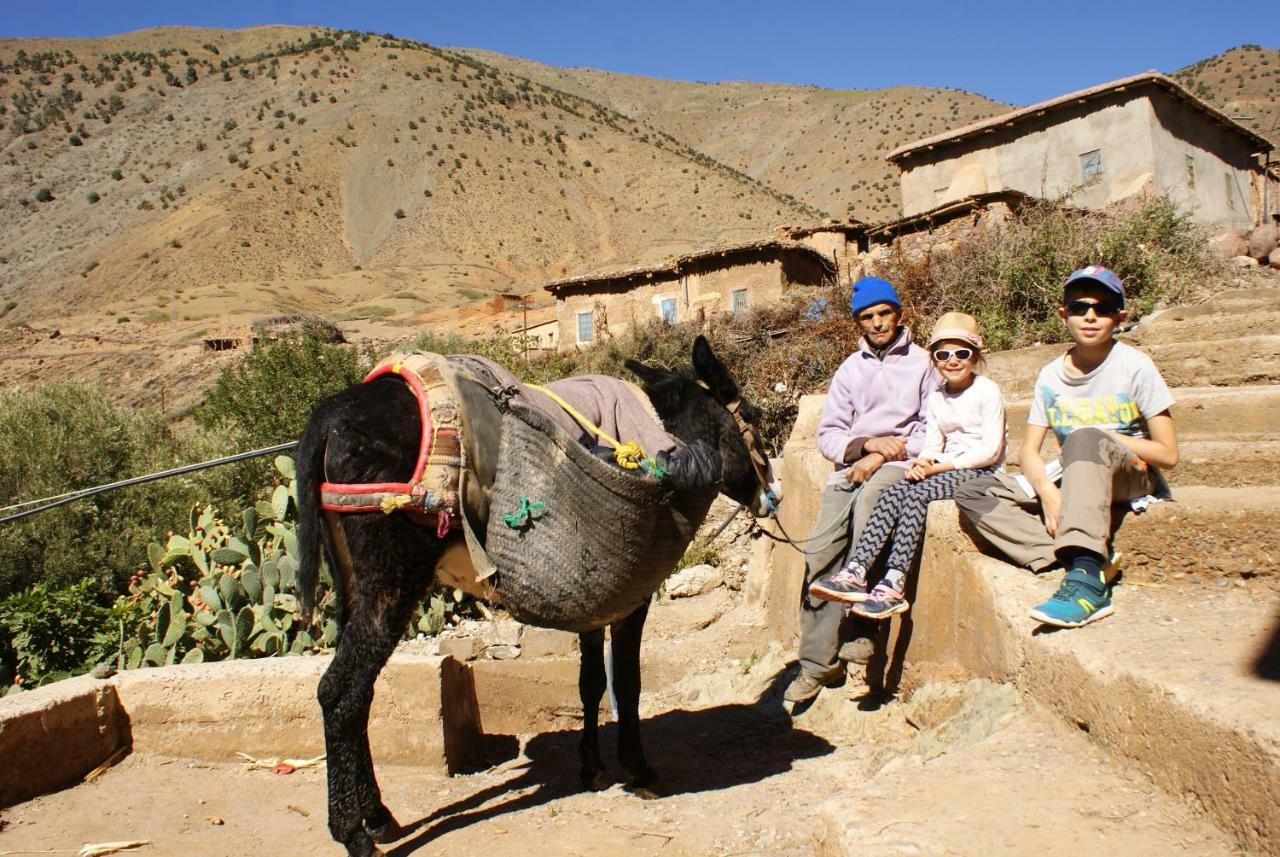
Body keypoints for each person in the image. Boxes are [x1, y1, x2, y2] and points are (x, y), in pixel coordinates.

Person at [953, 265, 1179, 628]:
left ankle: (1088, 585)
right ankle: (1077, 558)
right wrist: (1047, 492)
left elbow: (1168, 454)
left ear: (1119, 317)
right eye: (1079, 307)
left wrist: (1101, 436)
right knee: (973, 492)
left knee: (1084, 439)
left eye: (1103, 308)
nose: (1090, 316)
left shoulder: (1135, 366)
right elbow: (1028, 451)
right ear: (1064, 315)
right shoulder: (1050, 375)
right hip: (1071, 474)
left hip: (1130, 474)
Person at [783, 276, 939, 704]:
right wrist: (866, 447)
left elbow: (931, 428)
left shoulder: (924, 364)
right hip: (851, 469)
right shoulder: (850, 370)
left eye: (884, 314)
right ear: (859, 324)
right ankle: (817, 664)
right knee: (820, 554)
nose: (877, 323)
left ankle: (867, 628)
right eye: (867, 317)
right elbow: (828, 436)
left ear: (899, 314)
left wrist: (887, 455)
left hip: (900, 465)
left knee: (873, 505)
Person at [810, 312, 1005, 618]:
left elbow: (990, 451)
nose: (952, 361)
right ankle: (857, 571)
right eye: (943, 354)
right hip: (944, 467)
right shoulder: (940, 395)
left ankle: (894, 581)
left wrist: (936, 467)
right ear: (935, 359)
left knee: (912, 494)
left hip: (979, 471)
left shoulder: (987, 391)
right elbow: (931, 440)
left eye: (962, 353)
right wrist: (924, 461)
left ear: (976, 356)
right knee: (895, 492)